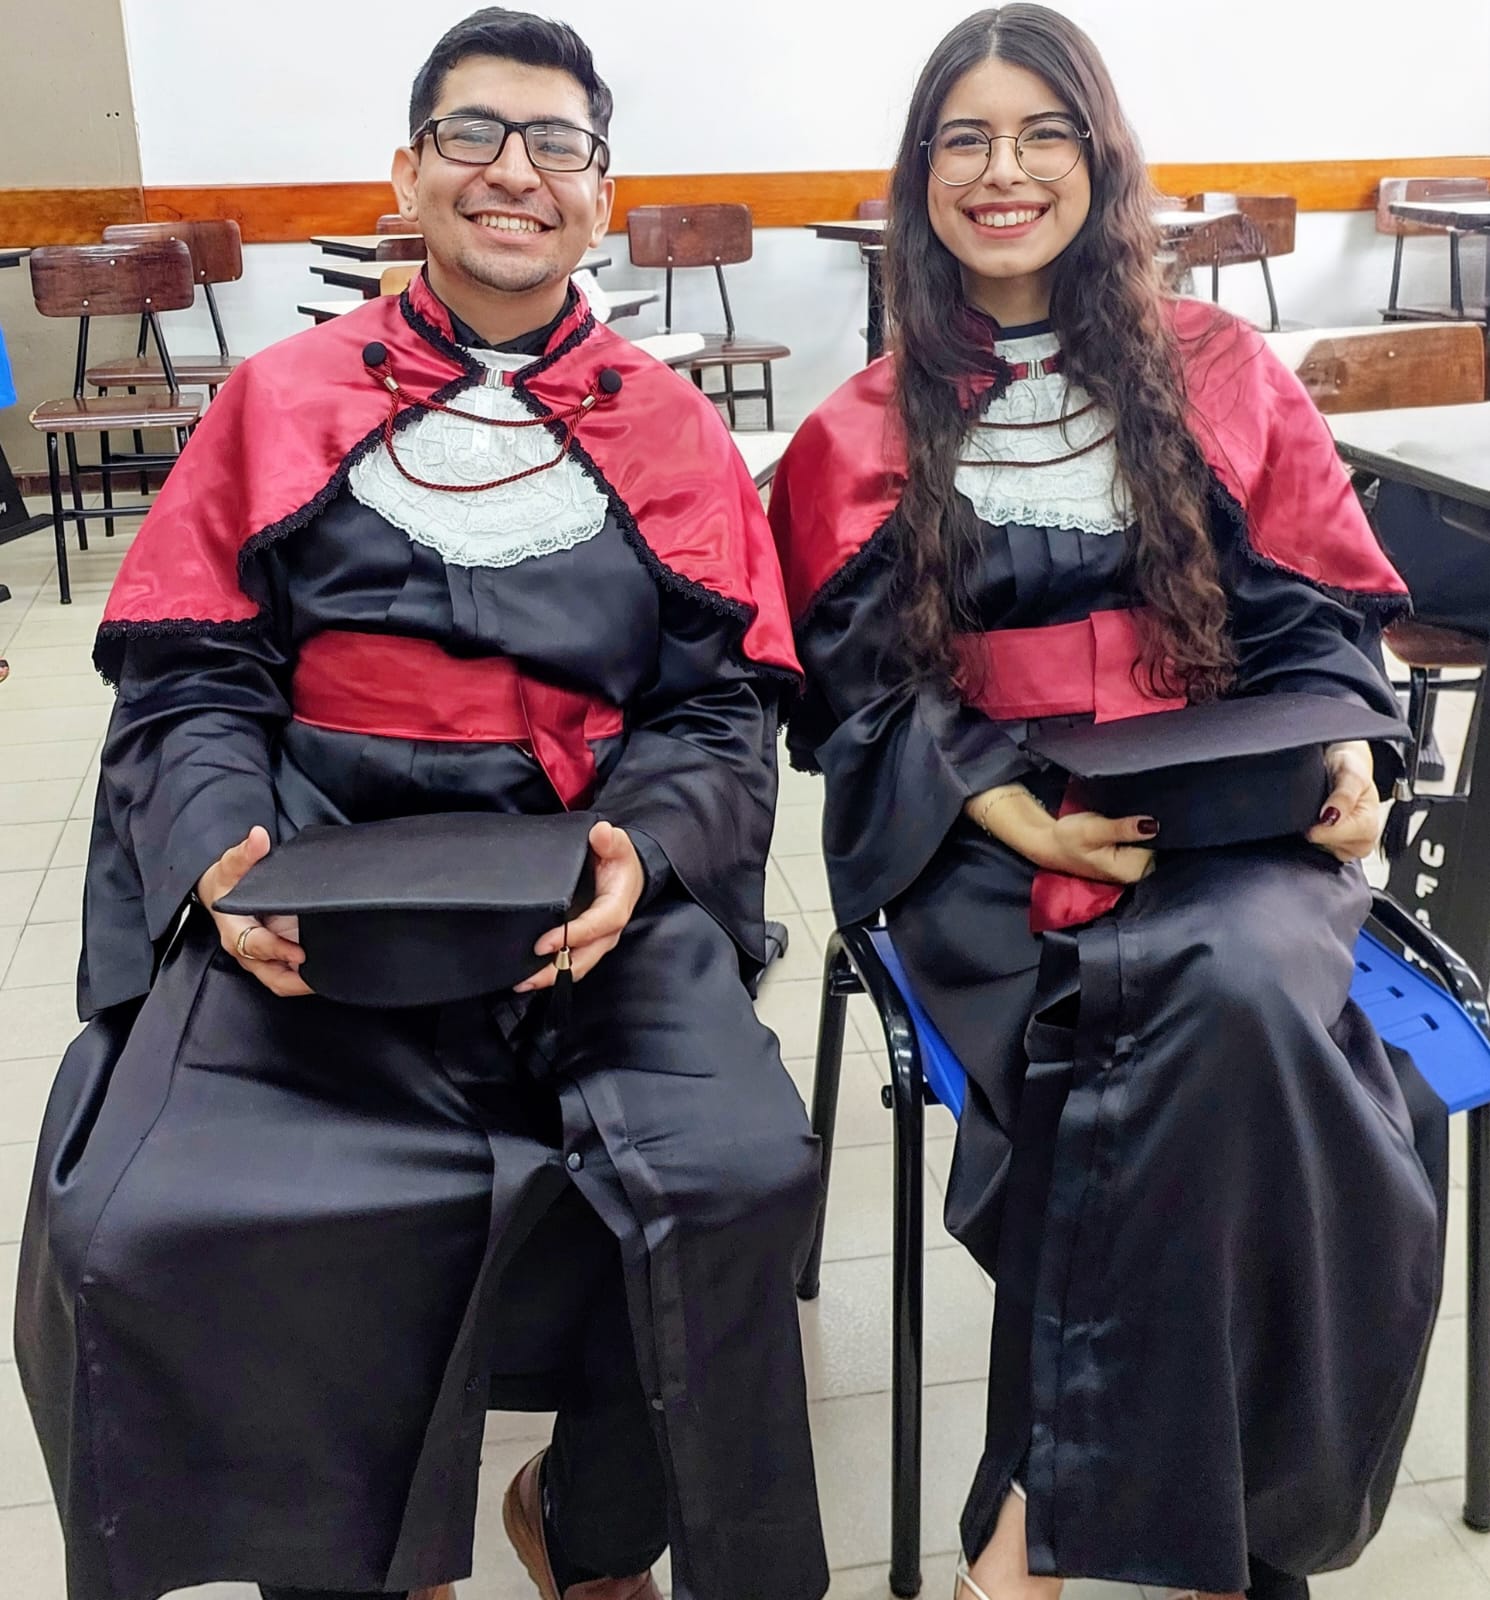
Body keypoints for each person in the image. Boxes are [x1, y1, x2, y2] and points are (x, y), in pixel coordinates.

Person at [15, 12, 828, 1600]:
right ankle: (364, 1560)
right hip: (319, 881)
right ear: (408, 173)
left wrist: (650, 854)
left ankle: (590, 1528)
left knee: (736, 1176)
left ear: (599, 195)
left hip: (584, 888)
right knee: (160, 1209)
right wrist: (218, 859)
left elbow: (715, 706)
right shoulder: (277, 400)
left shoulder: (669, 427)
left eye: (556, 144)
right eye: (472, 134)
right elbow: (191, 680)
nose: (514, 170)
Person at [768, 8, 1446, 1599]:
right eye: (964, 139)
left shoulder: (1219, 370)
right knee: (1195, 1043)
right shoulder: (860, 427)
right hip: (979, 841)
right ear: (919, 174)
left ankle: (1028, 1539)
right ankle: (1233, 1551)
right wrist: (995, 799)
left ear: (1099, 159)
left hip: (1214, 809)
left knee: (1235, 997)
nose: (1002, 171)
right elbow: (854, 691)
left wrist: (1347, 749)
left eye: (1041, 134)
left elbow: (1310, 615)